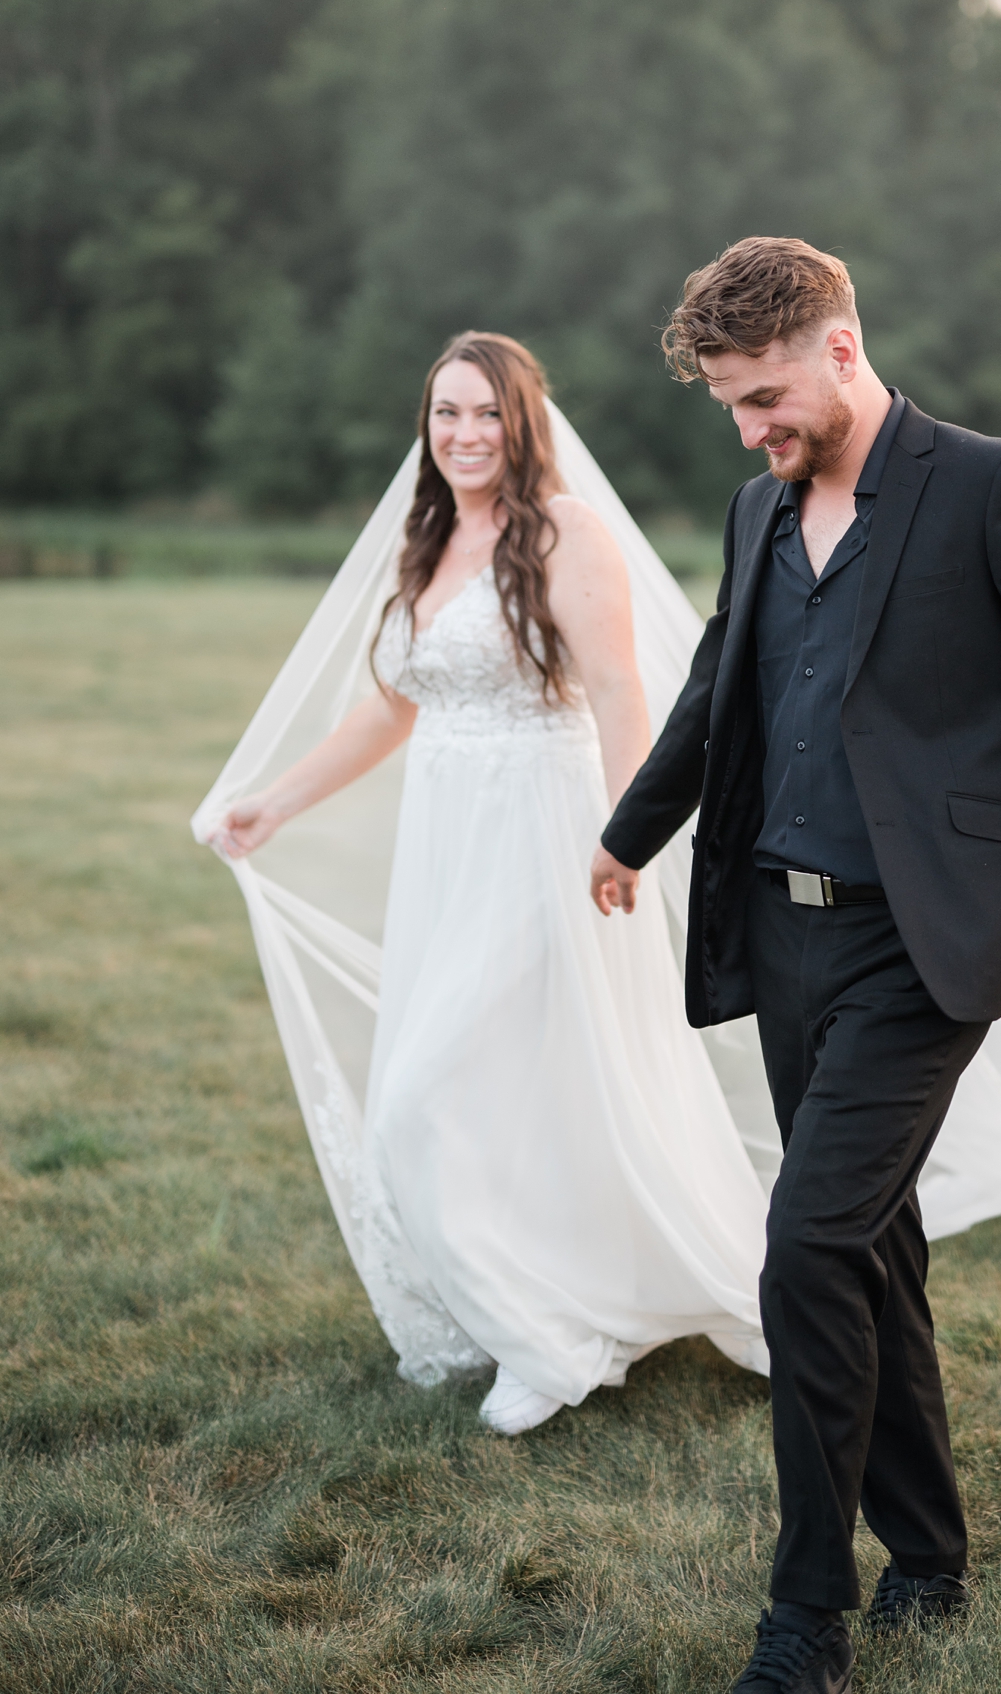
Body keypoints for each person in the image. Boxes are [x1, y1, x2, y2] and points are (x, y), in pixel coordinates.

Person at [590, 238, 1001, 1694]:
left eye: (767, 394)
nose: (753, 427)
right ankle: (933, 1559)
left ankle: (806, 1620)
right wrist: (629, 834)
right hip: (783, 925)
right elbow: (721, 687)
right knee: (873, 1247)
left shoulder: (990, 483)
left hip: (929, 935)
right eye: (729, 405)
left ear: (843, 348)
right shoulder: (757, 509)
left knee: (810, 1246)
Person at [205, 332, 771, 1433]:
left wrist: (626, 840)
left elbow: (618, 695)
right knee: (512, 1089)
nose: (464, 434)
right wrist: (274, 800)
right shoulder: (429, 539)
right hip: (448, 844)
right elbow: (391, 705)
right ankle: (554, 1307)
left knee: (420, 1097)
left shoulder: (564, 533)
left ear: (525, 422)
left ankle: (546, 1342)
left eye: (485, 414)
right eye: (445, 414)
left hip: (547, 834)